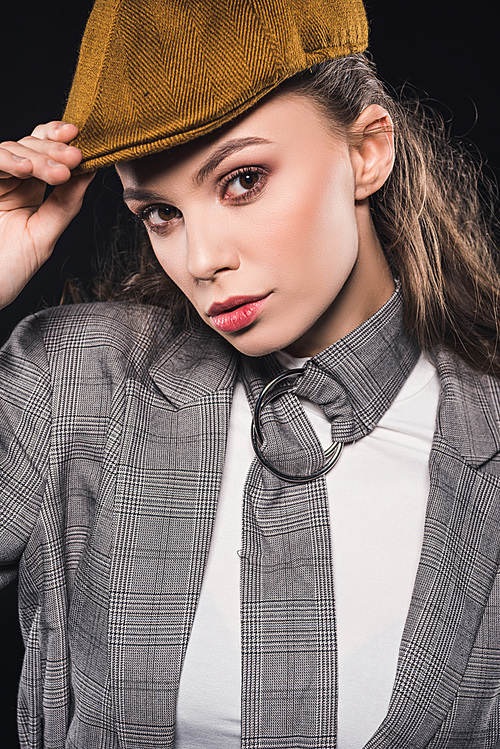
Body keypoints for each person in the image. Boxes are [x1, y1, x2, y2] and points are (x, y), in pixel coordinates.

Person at [0, 0, 499, 747]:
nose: (201, 260)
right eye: (161, 213)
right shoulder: (69, 387)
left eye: (242, 181)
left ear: (367, 151)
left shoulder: (484, 445)